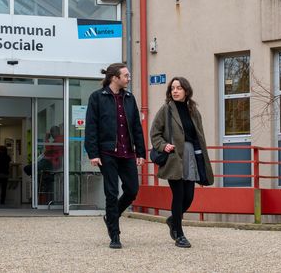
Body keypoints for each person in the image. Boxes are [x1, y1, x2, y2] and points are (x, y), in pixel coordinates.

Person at [85, 63, 145, 249]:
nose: (128, 78)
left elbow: (136, 127)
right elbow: (91, 127)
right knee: (111, 193)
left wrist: (141, 152)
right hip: (107, 153)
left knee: (132, 190)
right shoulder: (97, 97)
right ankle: (115, 235)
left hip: (127, 153)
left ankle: (111, 215)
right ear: (114, 78)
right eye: (126, 75)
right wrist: (93, 153)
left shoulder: (129, 98)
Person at [149, 76, 214, 248]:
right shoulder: (166, 110)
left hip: (191, 155)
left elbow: (199, 136)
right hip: (174, 157)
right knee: (178, 195)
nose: (175, 91)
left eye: (178, 88)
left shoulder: (193, 110)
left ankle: (173, 220)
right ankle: (179, 234)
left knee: (189, 196)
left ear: (186, 90)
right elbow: (155, 133)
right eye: (172, 88)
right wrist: (164, 146)